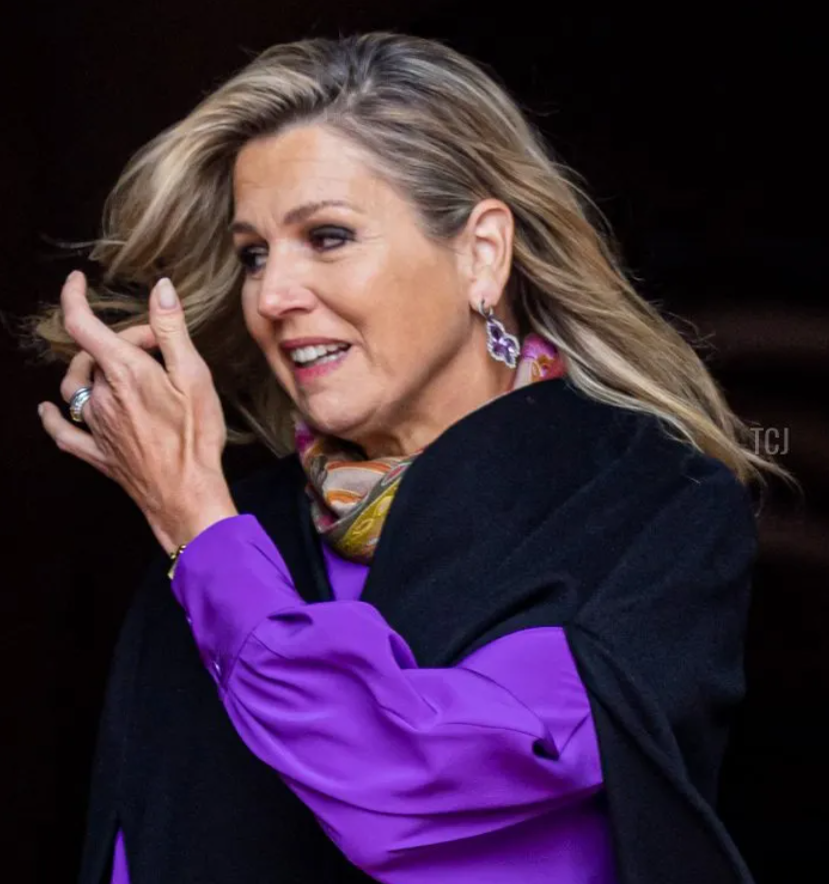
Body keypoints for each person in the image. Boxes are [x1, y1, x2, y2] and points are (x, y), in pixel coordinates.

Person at [24, 31, 791, 884]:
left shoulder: (646, 506)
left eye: (328, 236)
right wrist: (201, 530)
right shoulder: (225, 531)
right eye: (253, 255)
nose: (272, 296)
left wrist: (203, 534)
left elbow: (415, 782)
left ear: (481, 253)